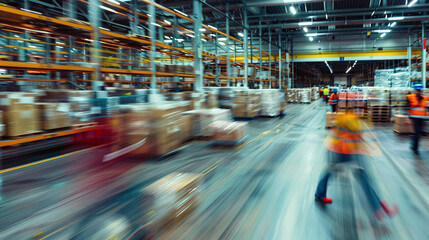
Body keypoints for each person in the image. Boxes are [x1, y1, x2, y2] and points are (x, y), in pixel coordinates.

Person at [315, 112, 398, 221]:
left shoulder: (351, 120)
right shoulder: (353, 122)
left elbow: (355, 139)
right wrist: (361, 153)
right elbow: (354, 140)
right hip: (339, 151)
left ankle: (319, 194)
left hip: (338, 150)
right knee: (363, 177)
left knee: (332, 171)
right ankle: (377, 207)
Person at [406, 84, 429, 155]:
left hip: (422, 118)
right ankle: (415, 148)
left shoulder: (425, 98)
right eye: (417, 90)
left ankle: (413, 144)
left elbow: (426, 107)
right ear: (414, 90)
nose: (418, 91)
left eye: (419, 90)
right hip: (414, 118)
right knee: (417, 133)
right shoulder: (410, 98)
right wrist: (407, 118)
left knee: (419, 133)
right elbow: (407, 108)